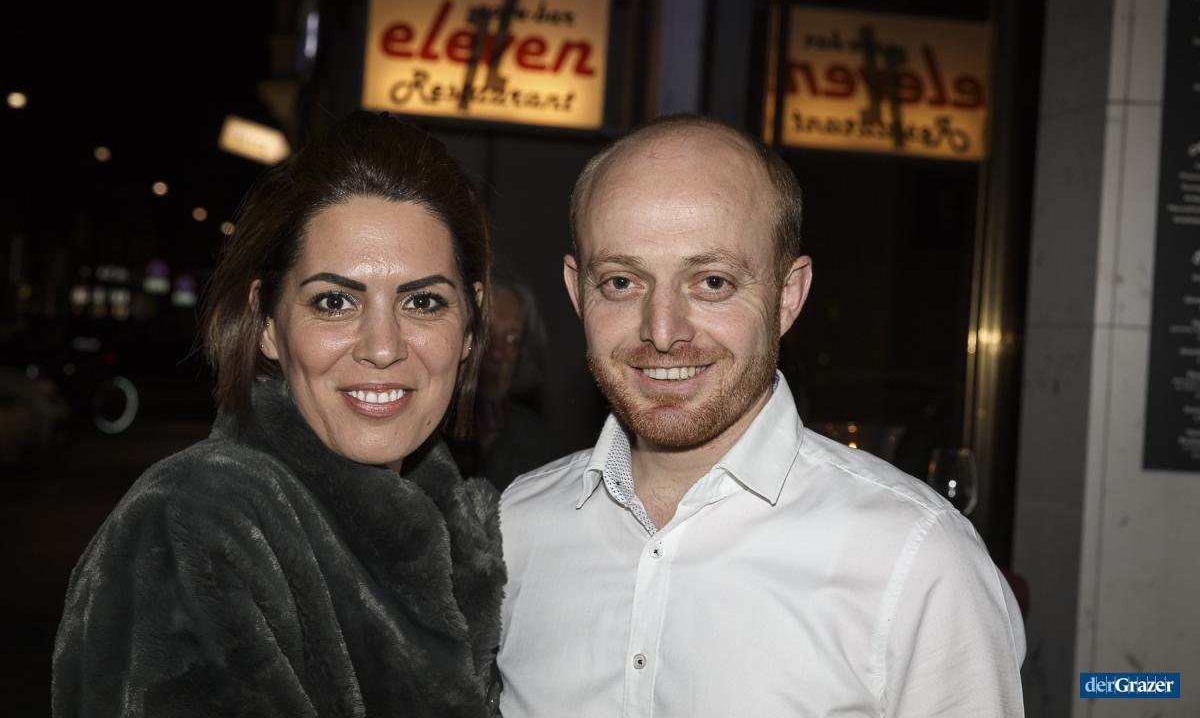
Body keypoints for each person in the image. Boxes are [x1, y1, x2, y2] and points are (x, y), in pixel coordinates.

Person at [498, 114, 1025, 717]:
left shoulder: (918, 561)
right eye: (621, 281)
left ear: (788, 296)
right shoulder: (515, 528)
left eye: (712, 282)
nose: (662, 331)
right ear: (577, 292)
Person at [53, 111, 505, 717]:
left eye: (423, 301)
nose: (382, 347)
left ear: (469, 324)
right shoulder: (196, 526)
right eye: (335, 302)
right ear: (266, 321)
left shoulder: (470, 545)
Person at [452, 260, 555, 490]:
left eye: (511, 339)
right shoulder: (427, 430)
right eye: (486, 332)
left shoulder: (535, 441)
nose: (497, 353)